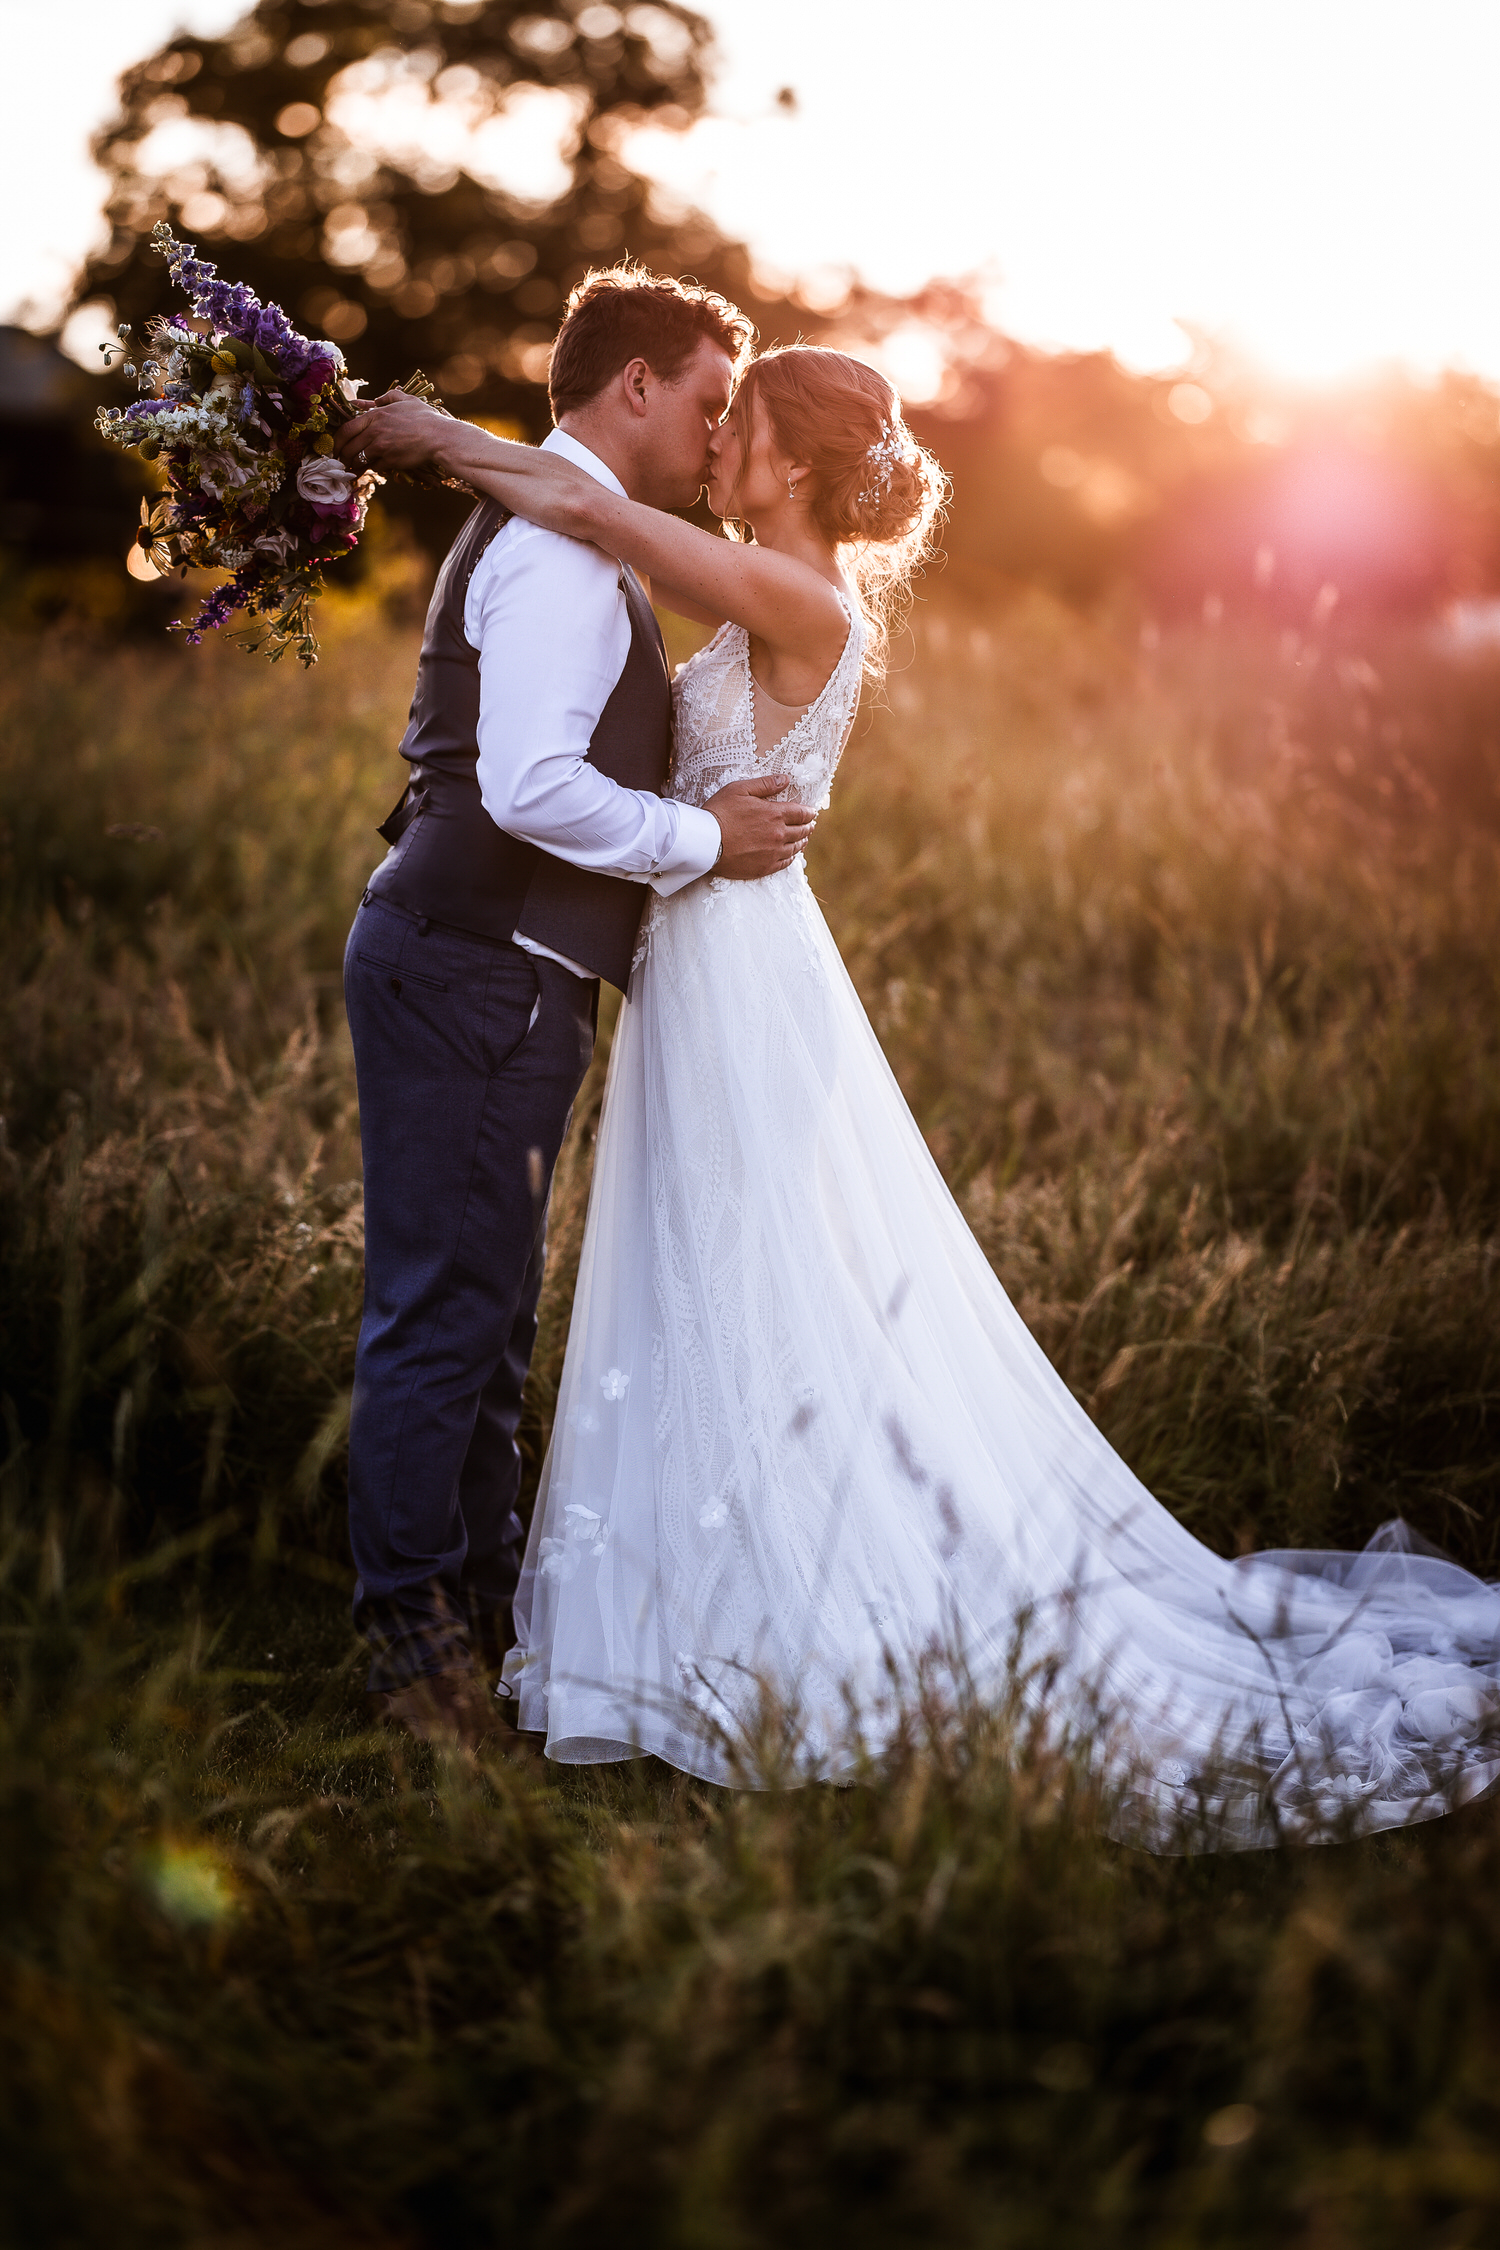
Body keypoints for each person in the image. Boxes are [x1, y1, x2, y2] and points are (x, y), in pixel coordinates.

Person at [342, 342, 1500, 1851]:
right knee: (712, 1289)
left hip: (744, 972)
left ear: (796, 464)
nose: (715, 442)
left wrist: (430, 433)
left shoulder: (805, 594)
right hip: (706, 961)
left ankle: (772, 1614)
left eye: (738, 426)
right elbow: (608, 537)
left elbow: (609, 522)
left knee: (753, 1293)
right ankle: (697, 1599)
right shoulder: (772, 577)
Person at [338, 269, 816, 1748]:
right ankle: (411, 1652)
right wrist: (701, 843)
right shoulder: (554, 551)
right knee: (445, 1316)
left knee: (487, 1320)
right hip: (481, 961)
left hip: (499, 966)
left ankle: (476, 1614)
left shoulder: (573, 529)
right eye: (706, 399)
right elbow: (530, 786)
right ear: (632, 389)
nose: (713, 431)